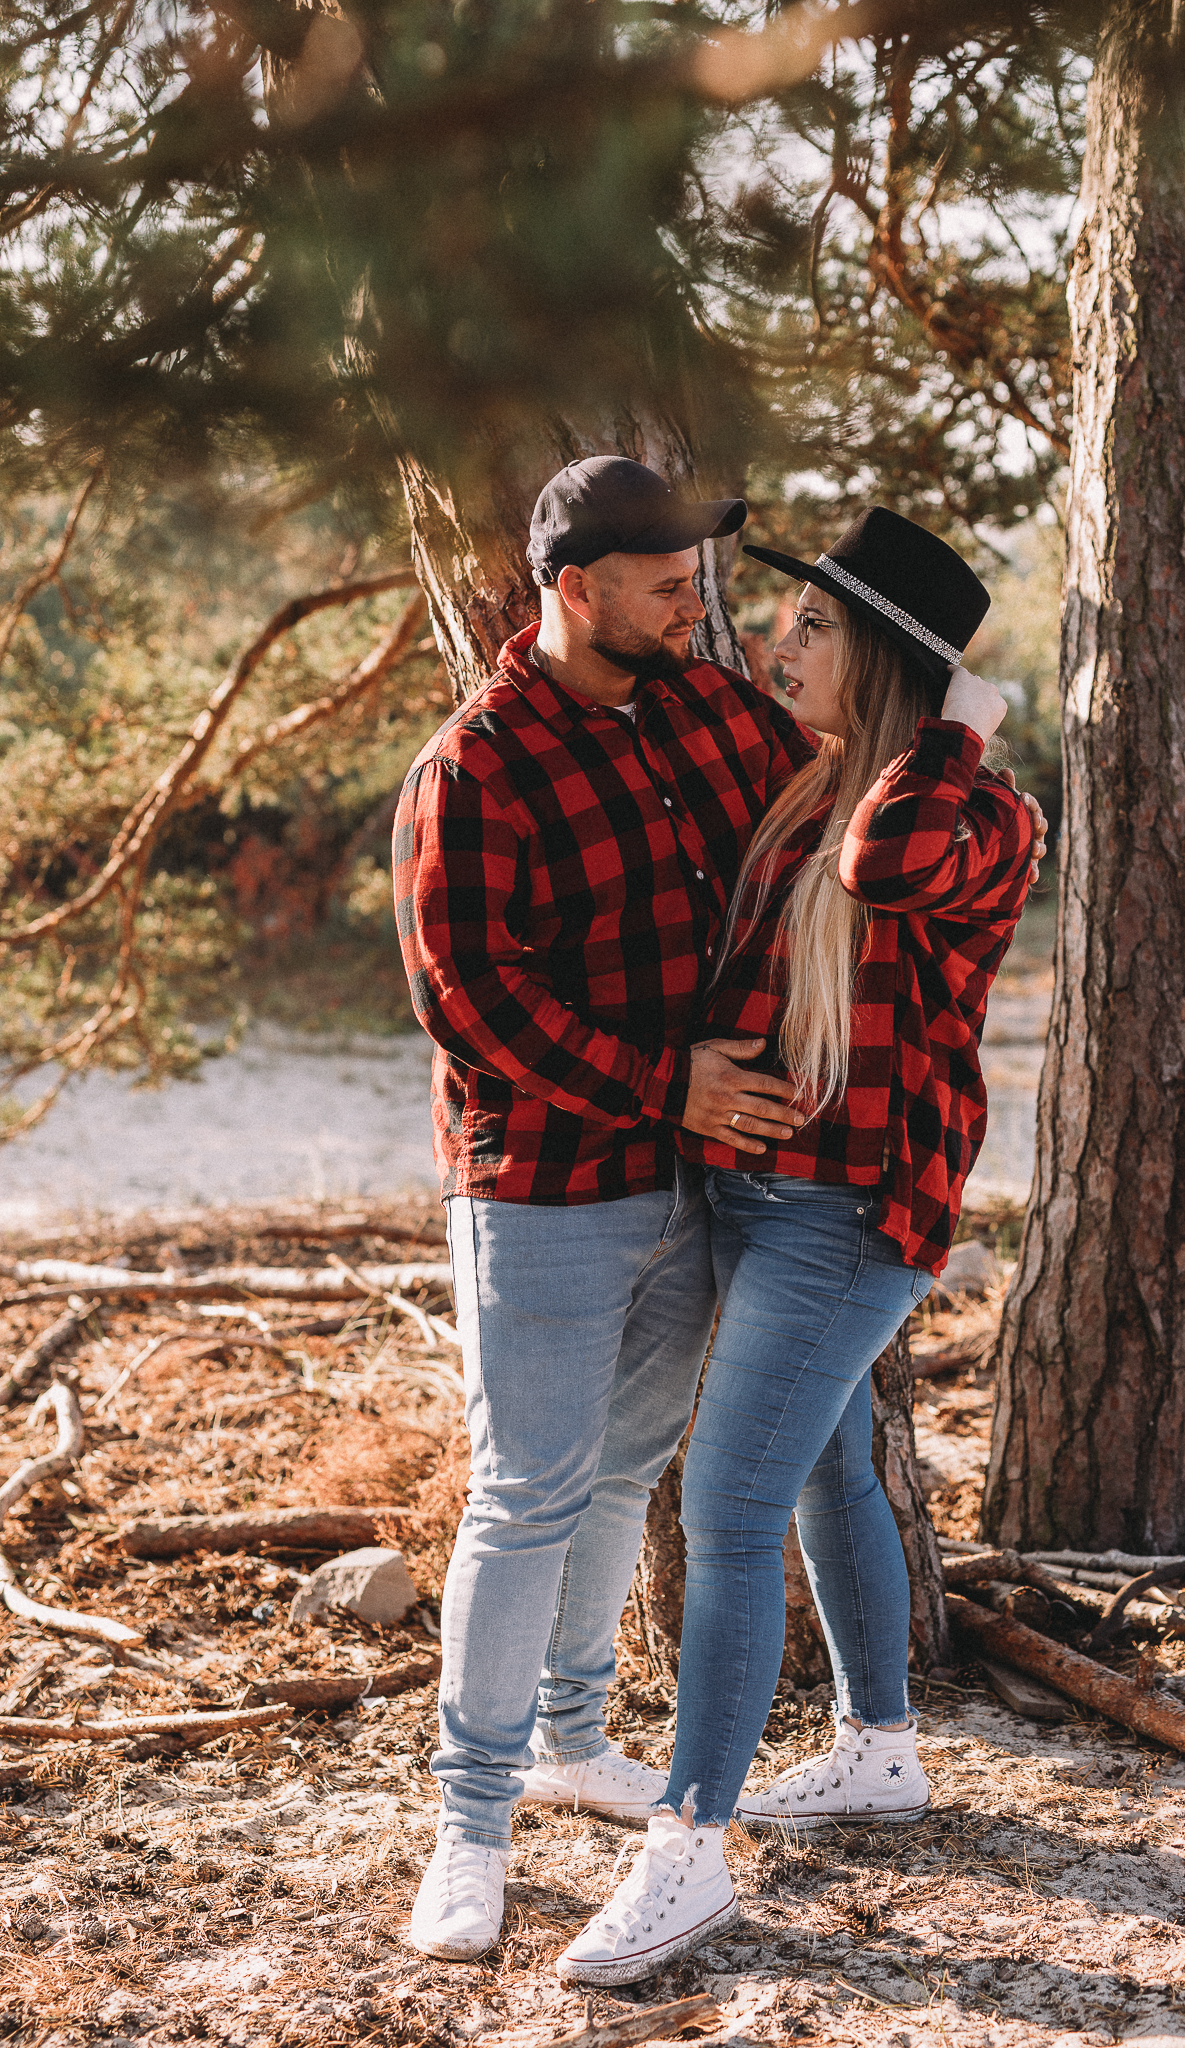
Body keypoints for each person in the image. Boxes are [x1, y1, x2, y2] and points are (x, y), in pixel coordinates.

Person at [555, 507, 1044, 1988]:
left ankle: (688, 1850)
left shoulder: (975, 817)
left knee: (729, 1500)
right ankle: (880, 1750)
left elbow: (889, 866)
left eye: (815, 627)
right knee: (828, 1467)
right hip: (757, 1201)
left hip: (852, 1215)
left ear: (889, 661)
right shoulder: (803, 792)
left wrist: (956, 723)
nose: (779, 645)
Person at [392, 456, 817, 1962]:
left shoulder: (707, 708)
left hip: (696, 1180)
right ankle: (470, 1826)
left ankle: (575, 1737)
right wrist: (665, 1086)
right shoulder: (474, 766)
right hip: (544, 1188)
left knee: (627, 1464)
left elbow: (832, 788)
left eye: (697, 581)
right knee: (526, 1493)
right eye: (665, 584)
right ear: (575, 589)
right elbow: (467, 998)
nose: (695, 606)